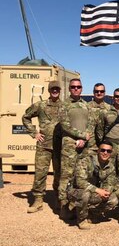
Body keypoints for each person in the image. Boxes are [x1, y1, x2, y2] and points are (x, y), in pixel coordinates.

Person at [23, 80, 62, 213]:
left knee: (60, 174)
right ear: (49, 91)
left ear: (60, 90)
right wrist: (34, 133)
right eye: (52, 89)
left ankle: (58, 198)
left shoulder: (65, 106)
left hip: (60, 146)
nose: (55, 91)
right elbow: (26, 117)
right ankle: (38, 199)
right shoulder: (40, 105)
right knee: (40, 173)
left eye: (57, 89)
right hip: (43, 145)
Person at [58, 78, 93, 216]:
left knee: (81, 175)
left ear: (82, 88)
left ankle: (76, 204)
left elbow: (91, 123)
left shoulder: (86, 105)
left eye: (78, 87)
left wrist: (85, 138)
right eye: (73, 87)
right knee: (66, 176)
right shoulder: (64, 105)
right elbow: (65, 125)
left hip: (84, 145)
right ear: (69, 89)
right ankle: (64, 206)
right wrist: (81, 136)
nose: (76, 89)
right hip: (69, 145)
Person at [67, 141, 119, 229]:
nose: (105, 153)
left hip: (94, 192)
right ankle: (81, 219)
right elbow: (80, 182)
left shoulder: (110, 167)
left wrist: (106, 192)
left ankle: (91, 213)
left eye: (108, 151)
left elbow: (110, 183)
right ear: (98, 151)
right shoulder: (86, 161)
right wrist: (98, 190)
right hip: (76, 191)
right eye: (103, 150)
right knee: (85, 195)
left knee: (113, 200)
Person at [87, 83, 110, 152]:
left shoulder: (109, 108)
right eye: (97, 91)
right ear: (93, 92)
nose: (99, 93)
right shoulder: (86, 107)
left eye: (101, 91)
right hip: (90, 145)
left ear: (104, 93)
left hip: (105, 144)